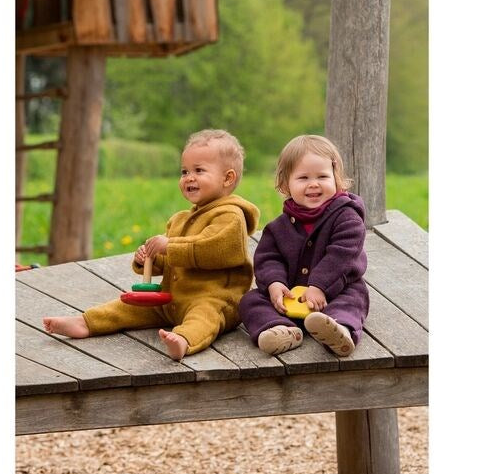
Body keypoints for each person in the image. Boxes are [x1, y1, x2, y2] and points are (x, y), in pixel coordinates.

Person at [43, 129, 260, 361]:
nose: (189, 177)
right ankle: (87, 322)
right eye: (184, 171)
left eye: (199, 170)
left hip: (215, 298)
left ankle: (183, 340)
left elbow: (213, 250)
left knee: (204, 317)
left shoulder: (230, 216)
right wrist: (150, 258)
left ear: (227, 178)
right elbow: (173, 262)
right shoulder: (179, 220)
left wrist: (170, 246)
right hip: (172, 299)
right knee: (128, 305)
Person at [239, 134, 369, 357]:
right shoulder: (279, 227)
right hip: (290, 297)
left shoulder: (347, 218)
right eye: (303, 178)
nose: (314, 184)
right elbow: (268, 258)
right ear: (285, 185)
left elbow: (341, 256)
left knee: (353, 299)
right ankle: (283, 330)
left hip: (335, 291)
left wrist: (319, 286)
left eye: (322, 176)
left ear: (336, 178)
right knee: (250, 300)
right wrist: (275, 284)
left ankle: (339, 330)